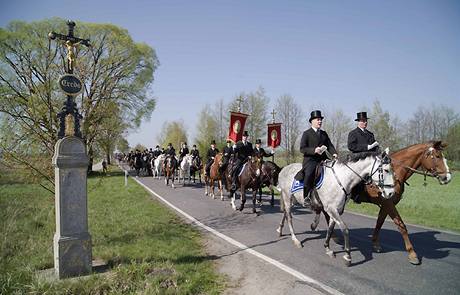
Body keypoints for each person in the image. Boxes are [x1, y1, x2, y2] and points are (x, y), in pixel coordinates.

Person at [297, 110, 337, 206]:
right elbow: (302, 149)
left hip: (322, 160)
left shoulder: (324, 133)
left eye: (321, 120)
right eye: (318, 120)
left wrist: (334, 153)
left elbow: (330, 145)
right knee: (309, 173)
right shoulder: (306, 133)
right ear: (312, 121)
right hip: (310, 160)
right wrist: (314, 150)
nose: (320, 122)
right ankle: (306, 197)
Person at [347, 111, 379, 203]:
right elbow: (351, 146)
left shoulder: (370, 134)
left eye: (365, 121)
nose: (365, 123)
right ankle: (355, 195)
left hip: (370, 159)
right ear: (358, 122)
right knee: (357, 176)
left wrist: (378, 151)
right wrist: (366, 147)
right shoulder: (353, 133)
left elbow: (375, 148)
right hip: (358, 159)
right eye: (363, 121)